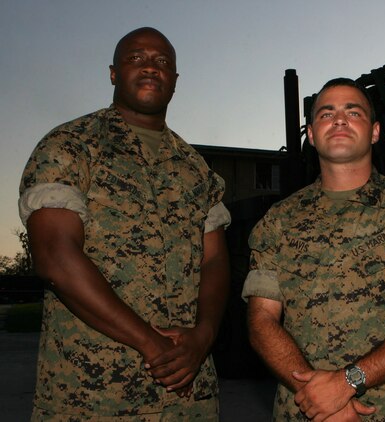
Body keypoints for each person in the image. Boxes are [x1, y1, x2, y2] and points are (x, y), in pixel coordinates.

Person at [19, 27, 230, 420]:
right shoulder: (71, 145)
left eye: (162, 62)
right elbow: (55, 257)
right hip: (94, 397)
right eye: (136, 58)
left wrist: (203, 336)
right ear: (113, 73)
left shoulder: (196, 169)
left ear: (175, 81)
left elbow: (214, 261)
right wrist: (150, 344)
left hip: (190, 400)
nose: (151, 67)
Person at [242, 78, 385, 421]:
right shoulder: (278, 222)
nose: (340, 120)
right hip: (304, 410)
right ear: (312, 135)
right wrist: (316, 396)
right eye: (326, 113)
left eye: (353, 112)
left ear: (374, 132)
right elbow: (261, 321)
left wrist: (346, 383)